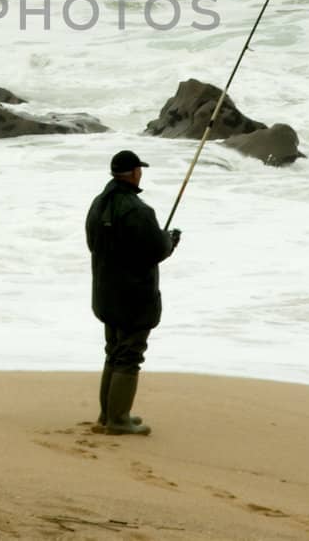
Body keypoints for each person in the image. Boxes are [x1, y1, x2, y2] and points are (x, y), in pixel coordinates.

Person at [85, 149, 180, 436]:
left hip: (105, 290)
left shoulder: (98, 204)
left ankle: (108, 415)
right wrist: (170, 241)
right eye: (140, 169)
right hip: (133, 295)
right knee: (129, 354)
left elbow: (94, 243)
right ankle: (118, 419)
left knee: (114, 351)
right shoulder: (138, 210)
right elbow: (155, 250)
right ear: (135, 173)